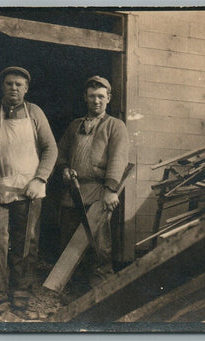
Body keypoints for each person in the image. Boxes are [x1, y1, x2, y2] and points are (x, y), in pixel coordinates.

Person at [0, 66, 57, 315]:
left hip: (28, 190)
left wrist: (40, 179)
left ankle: (21, 292)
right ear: (3, 86)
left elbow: (50, 149)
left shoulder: (35, 113)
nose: (14, 88)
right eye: (10, 84)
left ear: (26, 89)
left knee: (26, 243)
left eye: (19, 85)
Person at [56, 75, 129, 288]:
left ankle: (101, 288)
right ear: (85, 98)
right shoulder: (74, 126)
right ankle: (71, 289)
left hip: (99, 192)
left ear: (109, 98)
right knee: (70, 241)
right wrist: (63, 169)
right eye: (91, 96)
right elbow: (60, 153)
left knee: (99, 244)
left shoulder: (115, 126)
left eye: (100, 96)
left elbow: (118, 159)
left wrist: (110, 190)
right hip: (73, 193)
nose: (96, 101)